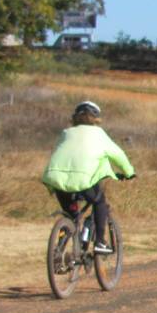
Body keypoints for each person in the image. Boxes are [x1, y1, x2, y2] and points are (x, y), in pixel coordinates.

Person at [42, 101, 136, 254]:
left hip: (56, 180)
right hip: (84, 181)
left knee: (72, 215)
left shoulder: (66, 133)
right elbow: (118, 155)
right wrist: (129, 172)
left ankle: (58, 250)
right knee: (99, 202)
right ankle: (99, 242)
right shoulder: (99, 134)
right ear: (96, 119)